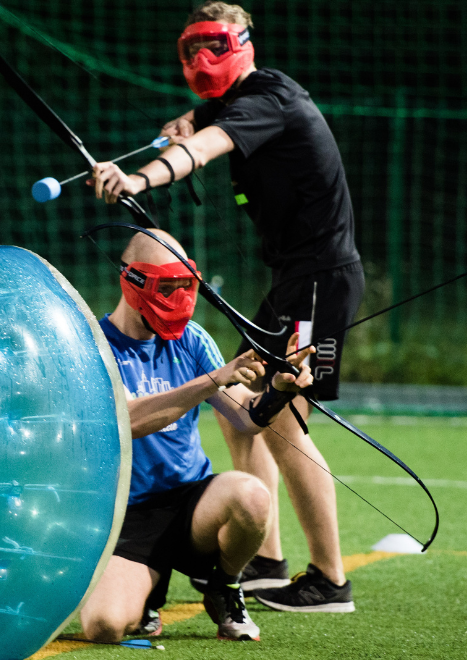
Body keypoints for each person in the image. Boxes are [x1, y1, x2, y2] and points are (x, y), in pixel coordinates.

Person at [89, 1, 363, 614]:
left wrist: (140, 179)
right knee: (242, 405)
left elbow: (205, 145)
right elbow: (197, 124)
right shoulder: (231, 104)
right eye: (190, 48)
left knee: (284, 417)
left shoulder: (271, 97)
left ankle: (329, 580)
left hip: (318, 280)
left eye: (213, 45)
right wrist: (179, 127)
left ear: (243, 43)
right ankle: (264, 560)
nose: (201, 59)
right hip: (294, 279)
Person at [79, 228, 313, 643]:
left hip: (192, 504)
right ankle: (149, 594)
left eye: (185, 287)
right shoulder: (94, 348)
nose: (179, 299)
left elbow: (246, 418)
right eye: (166, 288)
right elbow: (126, 421)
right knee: (104, 626)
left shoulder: (192, 340)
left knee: (252, 496)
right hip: (129, 515)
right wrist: (211, 380)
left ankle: (225, 585)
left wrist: (278, 391)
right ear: (132, 281)